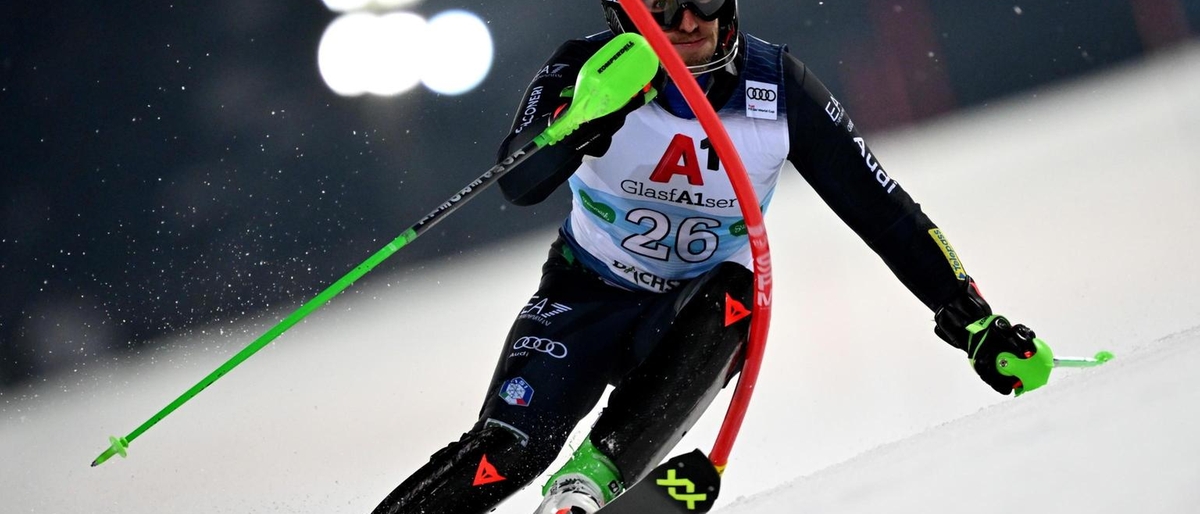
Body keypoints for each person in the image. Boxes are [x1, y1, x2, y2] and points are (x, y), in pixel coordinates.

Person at [372, 1, 1041, 513]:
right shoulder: (583, 68)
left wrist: (974, 321)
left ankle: (588, 486)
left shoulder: (777, 90)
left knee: (736, 291)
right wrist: (577, 125)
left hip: (691, 317)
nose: (688, 19)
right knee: (504, 451)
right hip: (582, 298)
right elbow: (518, 183)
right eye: (662, 3)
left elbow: (883, 210)